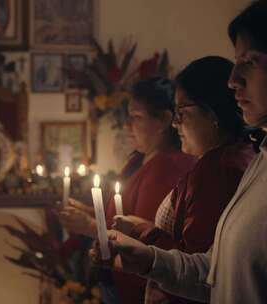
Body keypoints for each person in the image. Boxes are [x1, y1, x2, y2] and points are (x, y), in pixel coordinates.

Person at [91, 1, 267, 303]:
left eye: (250, 61)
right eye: (236, 61)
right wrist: (150, 260)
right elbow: (217, 273)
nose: (233, 79)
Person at [112, 56, 258, 304]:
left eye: (182, 112)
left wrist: (145, 238)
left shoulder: (219, 171)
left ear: (212, 112)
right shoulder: (223, 159)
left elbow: (197, 263)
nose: (176, 123)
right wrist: (142, 228)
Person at [59, 77, 196, 303]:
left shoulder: (168, 168)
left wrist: (90, 226)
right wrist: (93, 214)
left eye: (136, 117)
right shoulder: (140, 159)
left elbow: (144, 235)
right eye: (128, 116)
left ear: (163, 119)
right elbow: (120, 216)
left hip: (137, 288)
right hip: (117, 280)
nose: (126, 125)